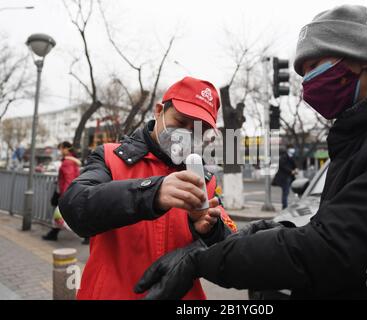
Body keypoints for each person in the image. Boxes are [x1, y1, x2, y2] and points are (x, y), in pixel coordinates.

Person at [134, 5, 367, 300]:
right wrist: (257, 233)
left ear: (357, 56)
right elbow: (339, 222)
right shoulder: (364, 134)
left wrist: (199, 261)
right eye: (302, 72)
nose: (307, 83)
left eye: (313, 66)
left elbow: (332, 247)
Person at [59, 77, 237, 300]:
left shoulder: (206, 180)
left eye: (199, 130)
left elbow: (231, 250)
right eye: (181, 122)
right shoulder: (111, 157)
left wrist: (208, 231)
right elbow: (75, 207)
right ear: (159, 111)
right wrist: (152, 193)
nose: (187, 135)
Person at [42, 141, 82, 242]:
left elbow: (68, 179)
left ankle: (87, 235)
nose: (60, 151)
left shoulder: (67, 162)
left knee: (64, 214)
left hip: (67, 192)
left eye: (60, 149)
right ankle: (53, 233)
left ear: (65, 149)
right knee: (63, 214)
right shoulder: (72, 160)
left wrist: (65, 195)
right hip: (72, 191)